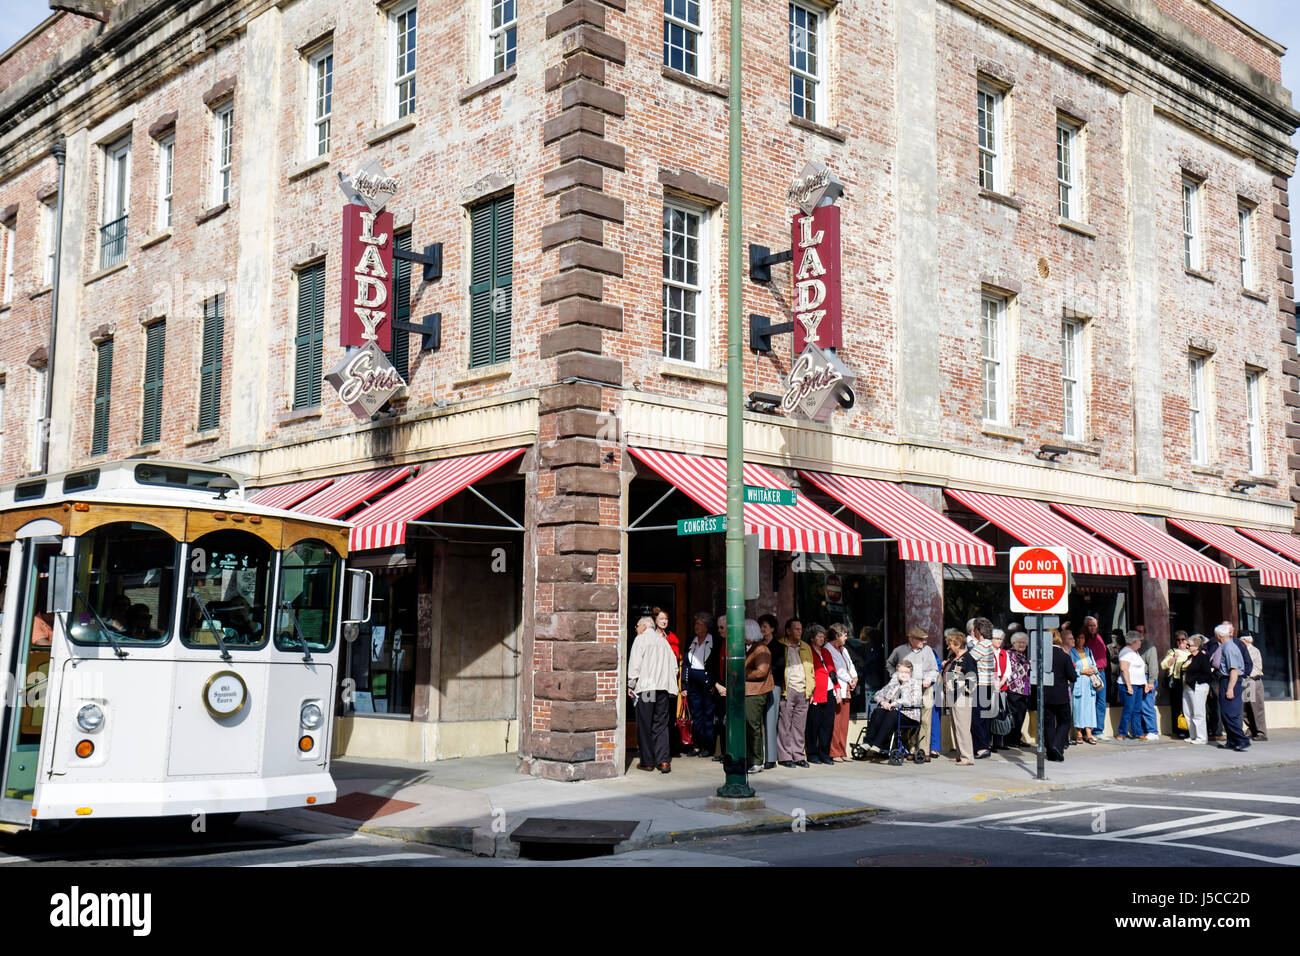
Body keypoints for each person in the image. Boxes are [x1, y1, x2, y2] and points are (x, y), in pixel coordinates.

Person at [714, 618, 772, 773]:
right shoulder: (751, 647)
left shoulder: (761, 649)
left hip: (756, 693)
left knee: (753, 726)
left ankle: (757, 761)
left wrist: (741, 672)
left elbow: (761, 671)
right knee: (747, 726)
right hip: (748, 691)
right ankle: (749, 759)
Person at [628, 615, 679, 773]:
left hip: (647, 689)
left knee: (645, 724)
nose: (636, 629)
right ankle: (663, 761)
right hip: (662, 689)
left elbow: (634, 665)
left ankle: (648, 762)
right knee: (661, 725)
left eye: (637, 626)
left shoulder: (640, 639)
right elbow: (675, 667)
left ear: (643, 626)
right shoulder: (663, 642)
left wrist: (631, 685)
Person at [886, 626, 940, 762]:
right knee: (910, 717)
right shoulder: (900, 650)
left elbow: (934, 669)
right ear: (911, 639)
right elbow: (889, 664)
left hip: (925, 688)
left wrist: (929, 679)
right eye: (921, 639)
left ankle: (924, 750)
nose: (924, 642)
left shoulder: (928, 651)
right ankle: (910, 749)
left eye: (925, 639)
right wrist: (896, 676)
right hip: (908, 689)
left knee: (926, 720)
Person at [859, 660, 923, 757]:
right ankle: (868, 742)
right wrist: (883, 702)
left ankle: (878, 744)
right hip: (893, 713)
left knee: (891, 714)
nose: (904, 674)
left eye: (906, 672)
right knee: (879, 711)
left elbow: (914, 701)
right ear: (897, 672)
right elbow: (877, 695)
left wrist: (895, 703)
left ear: (911, 673)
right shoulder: (894, 684)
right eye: (901, 672)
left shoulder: (915, 684)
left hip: (909, 715)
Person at [774, 618, 813, 768]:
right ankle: (785, 756)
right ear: (788, 631)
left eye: (800, 629)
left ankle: (798, 755)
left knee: (799, 726)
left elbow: (811, 671)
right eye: (796, 629)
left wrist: (811, 688)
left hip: (803, 690)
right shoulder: (781, 645)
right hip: (787, 689)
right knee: (785, 725)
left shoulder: (805, 647)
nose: (799, 631)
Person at [1211, 622, 1250, 752]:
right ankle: (1232, 741)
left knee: (1229, 713)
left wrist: (1230, 688)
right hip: (1225, 680)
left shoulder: (1229, 647)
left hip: (1230, 681)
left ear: (1218, 635)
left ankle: (1242, 740)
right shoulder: (1227, 646)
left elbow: (1234, 670)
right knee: (1225, 713)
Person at [683, 612, 717, 757]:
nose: (696, 627)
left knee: (708, 715)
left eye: (699, 624)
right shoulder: (692, 641)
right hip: (693, 684)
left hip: (707, 682)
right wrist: (684, 686)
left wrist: (714, 683)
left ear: (706, 626)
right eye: (695, 624)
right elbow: (685, 664)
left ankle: (708, 746)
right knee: (696, 715)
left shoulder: (713, 641)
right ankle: (696, 745)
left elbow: (715, 664)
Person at [941, 631, 977, 765]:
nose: (949, 646)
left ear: (957, 644)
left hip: (962, 697)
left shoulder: (968, 658)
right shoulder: (953, 658)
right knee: (956, 726)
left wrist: (962, 689)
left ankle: (967, 757)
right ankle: (960, 755)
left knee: (963, 727)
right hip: (952, 695)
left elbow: (972, 679)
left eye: (950, 644)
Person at [804, 625, 838, 765]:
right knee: (814, 725)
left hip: (829, 691)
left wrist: (837, 689)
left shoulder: (825, 651)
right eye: (819, 636)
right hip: (816, 692)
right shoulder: (808, 651)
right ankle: (812, 753)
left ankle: (824, 753)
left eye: (823, 636)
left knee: (827, 725)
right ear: (812, 638)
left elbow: (832, 669)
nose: (822, 638)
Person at [1044, 635, 1079, 761]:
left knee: (1048, 723)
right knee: (1064, 721)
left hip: (1046, 695)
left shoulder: (1043, 657)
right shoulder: (1064, 657)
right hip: (1060, 695)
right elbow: (1073, 677)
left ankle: (1050, 750)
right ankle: (1057, 746)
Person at [826, 623, 857, 761]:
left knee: (844, 722)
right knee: (836, 722)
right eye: (844, 635)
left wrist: (855, 677)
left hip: (847, 687)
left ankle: (842, 750)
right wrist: (850, 679)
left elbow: (851, 664)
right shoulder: (828, 649)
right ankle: (834, 752)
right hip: (837, 687)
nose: (846, 637)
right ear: (837, 635)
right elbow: (837, 669)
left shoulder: (843, 649)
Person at [968, 617, 996, 758]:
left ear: (978, 630)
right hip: (988, 685)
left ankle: (981, 748)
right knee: (984, 717)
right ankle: (984, 745)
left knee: (976, 718)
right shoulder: (989, 644)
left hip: (981, 685)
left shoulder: (982, 645)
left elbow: (968, 660)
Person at [1117, 631, 1152, 740]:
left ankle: (1138, 732)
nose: (1141, 643)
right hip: (1129, 684)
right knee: (1128, 709)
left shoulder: (1135, 653)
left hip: (1138, 685)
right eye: (1139, 641)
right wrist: (1129, 686)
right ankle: (1122, 733)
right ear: (1134, 641)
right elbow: (1124, 669)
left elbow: (1141, 671)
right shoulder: (1125, 652)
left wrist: (1145, 684)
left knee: (1137, 709)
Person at [1080, 617, 1110, 738]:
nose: (1092, 628)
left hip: (1101, 673)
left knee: (1101, 702)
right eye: (1090, 625)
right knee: (1088, 702)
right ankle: (1086, 730)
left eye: (1094, 625)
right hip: (1090, 673)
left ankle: (1098, 730)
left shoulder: (1099, 637)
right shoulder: (1084, 640)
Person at [1068, 631, 1100, 745]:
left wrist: (1093, 670)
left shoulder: (1088, 651)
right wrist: (1082, 671)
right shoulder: (1071, 652)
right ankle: (1079, 734)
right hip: (1079, 682)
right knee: (1079, 708)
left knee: (1090, 709)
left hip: (1089, 683)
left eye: (1082, 638)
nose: (1080, 640)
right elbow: (1071, 668)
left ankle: (1089, 733)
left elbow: (1095, 666)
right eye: (1078, 638)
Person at [758, 614, 780, 769]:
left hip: (773, 685)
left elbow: (780, 667)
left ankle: (771, 758)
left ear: (772, 628)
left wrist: (764, 671)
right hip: (758, 685)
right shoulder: (756, 645)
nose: (763, 629)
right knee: (757, 721)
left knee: (770, 720)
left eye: (766, 626)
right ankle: (757, 756)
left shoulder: (778, 646)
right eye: (761, 626)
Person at [1181, 634, 1212, 744]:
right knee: (1188, 712)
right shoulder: (1189, 657)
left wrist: (1196, 681)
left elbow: (1207, 674)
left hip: (1198, 687)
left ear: (1197, 646)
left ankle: (1202, 737)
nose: (1188, 647)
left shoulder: (1202, 657)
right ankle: (1193, 735)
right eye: (1187, 645)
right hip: (1187, 687)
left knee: (1198, 713)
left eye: (1190, 645)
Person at [1161, 631, 1191, 740]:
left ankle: (1189, 729)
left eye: (1183, 639)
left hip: (1188, 682)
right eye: (1178, 640)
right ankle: (1179, 730)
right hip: (1177, 682)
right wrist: (1173, 658)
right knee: (1177, 707)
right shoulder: (1172, 651)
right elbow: (1163, 665)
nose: (1181, 642)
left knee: (1188, 706)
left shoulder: (1191, 652)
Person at [1005, 631, 1031, 746]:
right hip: (1013, 689)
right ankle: (1010, 740)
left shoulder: (1026, 655)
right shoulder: (1009, 654)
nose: (1022, 645)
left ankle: (1016, 739)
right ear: (1013, 643)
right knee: (1013, 715)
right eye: (1019, 642)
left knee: (1021, 715)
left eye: (1024, 643)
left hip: (1025, 689)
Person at [1240, 635, 1268, 741]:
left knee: (1256, 708)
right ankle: (1251, 729)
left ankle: (1261, 732)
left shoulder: (1253, 651)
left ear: (1246, 640)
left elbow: (1254, 668)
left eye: (1241, 640)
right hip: (1246, 681)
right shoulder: (1243, 651)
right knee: (1246, 708)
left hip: (1253, 680)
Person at [1139, 633, 1161, 739]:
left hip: (1147, 678)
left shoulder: (1149, 647)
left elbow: (1153, 666)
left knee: (1147, 705)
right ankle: (1145, 729)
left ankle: (1153, 731)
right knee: (1141, 706)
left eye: (1141, 632)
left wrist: (1151, 682)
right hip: (1138, 679)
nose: (1139, 634)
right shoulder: (1133, 646)